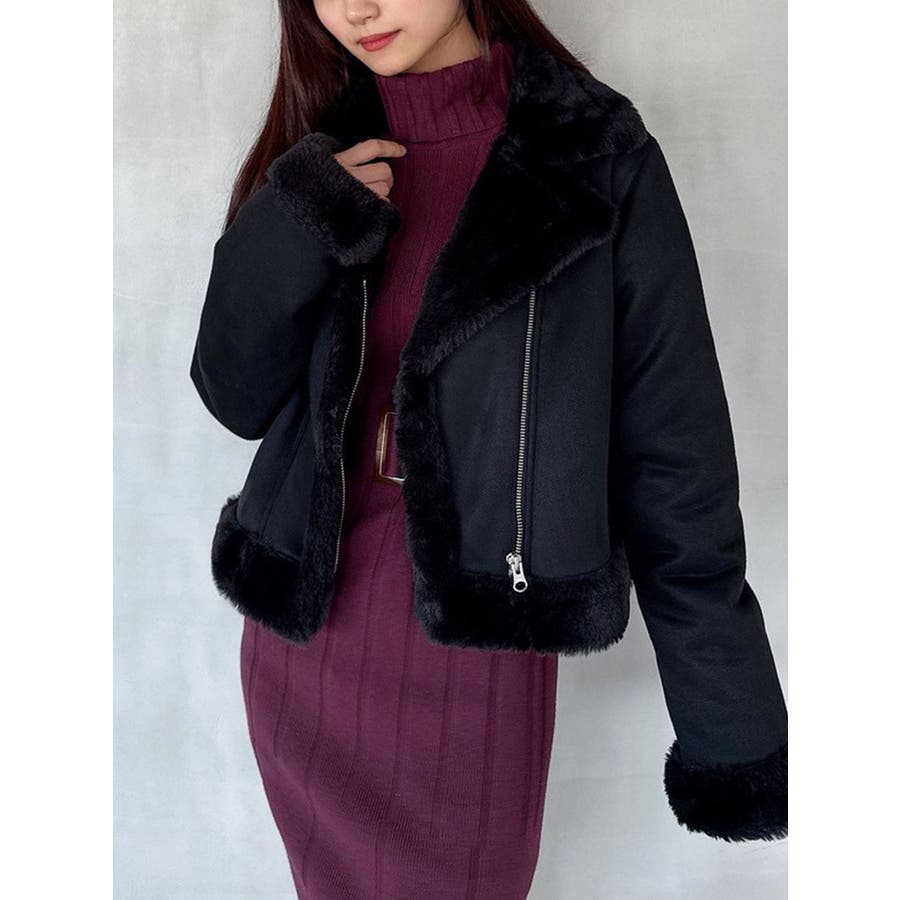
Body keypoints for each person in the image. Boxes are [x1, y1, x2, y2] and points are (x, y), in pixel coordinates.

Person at [189, 1, 789, 897]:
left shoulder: (590, 156)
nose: (355, 8)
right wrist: (295, 218)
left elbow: (676, 459)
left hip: (474, 665)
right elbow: (232, 396)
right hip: (308, 648)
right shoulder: (329, 153)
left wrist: (731, 730)